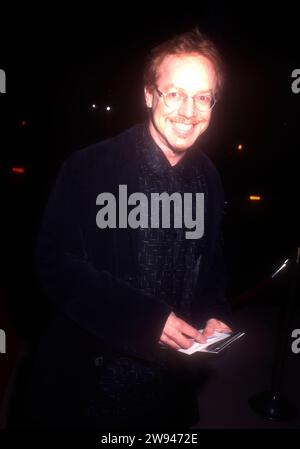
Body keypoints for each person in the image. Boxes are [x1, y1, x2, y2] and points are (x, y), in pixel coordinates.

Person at [21, 27, 232, 429]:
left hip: (172, 389)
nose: (189, 111)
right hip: (93, 383)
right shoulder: (89, 167)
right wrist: (147, 319)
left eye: (202, 97)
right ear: (149, 95)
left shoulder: (209, 177)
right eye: (175, 93)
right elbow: (55, 265)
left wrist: (214, 314)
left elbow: (211, 267)